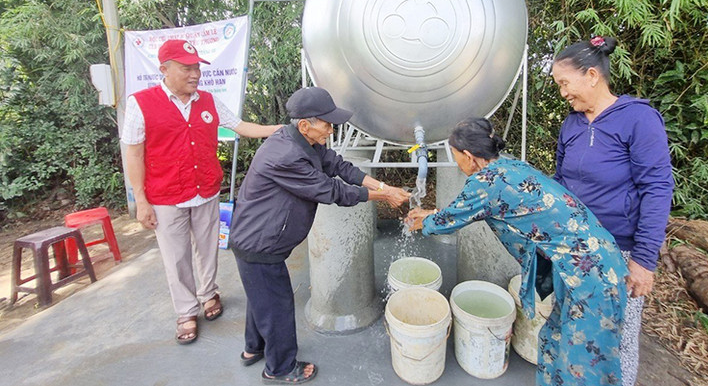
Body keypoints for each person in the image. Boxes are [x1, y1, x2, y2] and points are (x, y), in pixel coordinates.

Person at [408, 118, 629, 386]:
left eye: (456, 157)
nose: (457, 163)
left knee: (582, 365)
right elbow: (462, 211)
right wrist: (432, 214)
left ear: (468, 156)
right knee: (554, 340)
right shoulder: (510, 166)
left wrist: (421, 221)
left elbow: (447, 222)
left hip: (590, 275)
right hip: (588, 262)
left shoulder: (486, 182)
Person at [229, 86, 410, 385]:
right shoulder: (286, 155)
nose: (331, 129)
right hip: (259, 241)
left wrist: (383, 187)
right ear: (305, 124)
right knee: (277, 304)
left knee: (262, 297)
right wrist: (384, 197)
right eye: (327, 124)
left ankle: (254, 348)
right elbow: (331, 190)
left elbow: (338, 166)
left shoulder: (301, 141)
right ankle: (279, 368)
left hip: (261, 238)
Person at [122, 39, 282, 345]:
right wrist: (141, 200)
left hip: (205, 190)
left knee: (208, 248)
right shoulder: (140, 103)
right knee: (176, 256)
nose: (195, 74)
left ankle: (209, 293)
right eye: (186, 68)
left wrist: (277, 130)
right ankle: (186, 311)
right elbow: (134, 154)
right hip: (166, 196)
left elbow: (240, 126)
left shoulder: (207, 100)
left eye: (197, 67)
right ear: (164, 69)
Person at [551, 36, 674, 386]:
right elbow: (560, 181)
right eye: (559, 86)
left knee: (614, 338)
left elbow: (657, 188)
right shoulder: (572, 124)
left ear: (592, 75)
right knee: (571, 325)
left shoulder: (638, 119)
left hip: (619, 251)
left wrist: (644, 261)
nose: (563, 93)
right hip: (574, 246)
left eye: (565, 83)